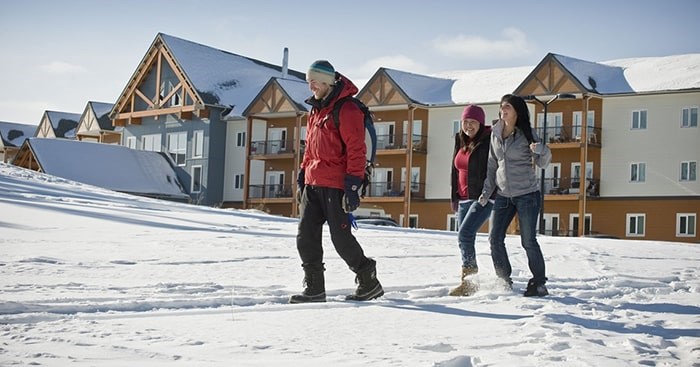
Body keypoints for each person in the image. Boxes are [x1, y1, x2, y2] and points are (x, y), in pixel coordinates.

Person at [290, 60, 384, 303]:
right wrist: (303, 174)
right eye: (309, 81)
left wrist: (353, 185)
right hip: (313, 183)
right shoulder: (315, 110)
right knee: (305, 237)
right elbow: (310, 148)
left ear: (328, 82)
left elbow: (356, 150)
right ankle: (315, 288)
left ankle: (368, 278)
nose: (311, 85)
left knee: (340, 238)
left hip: (336, 185)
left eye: (315, 81)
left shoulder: (347, 109)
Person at [480, 94, 552, 297]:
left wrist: (542, 150)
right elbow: (492, 165)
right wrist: (486, 192)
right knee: (494, 238)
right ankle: (503, 279)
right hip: (503, 194)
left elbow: (543, 163)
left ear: (517, 111)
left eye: (507, 107)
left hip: (527, 194)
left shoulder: (527, 134)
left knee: (528, 240)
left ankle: (538, 283)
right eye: (501, 106)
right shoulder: (495, 133)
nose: (503, 110)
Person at [448, 104, 493, 296]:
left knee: (464, 235)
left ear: (481, 123)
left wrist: (488, 193)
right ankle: (469, 281)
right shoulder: (460, 140)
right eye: (465, 122)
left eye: (473, 122)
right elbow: (454, 170)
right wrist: (454, 197)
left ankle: (469, 282)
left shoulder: (488, 141)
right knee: (465, 239)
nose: (468, 126)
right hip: (464, 198)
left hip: (482, 198)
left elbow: (495, 168)